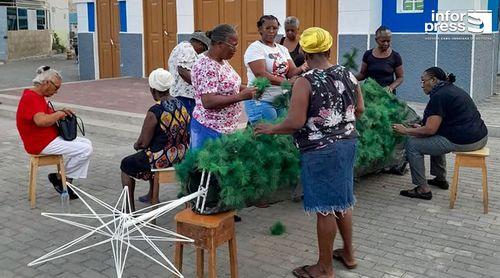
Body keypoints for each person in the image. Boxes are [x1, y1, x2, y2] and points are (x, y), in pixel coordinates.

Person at [255, 27, 364, 278]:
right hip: (347, 144)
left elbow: (295, 122)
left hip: (320, 151)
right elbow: (359, 109)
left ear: (304, 51)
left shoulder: (306, 81)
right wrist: (341, 124)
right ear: (328, 49)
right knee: (342, 201)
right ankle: (348, 254)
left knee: (325, 207)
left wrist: (271, 129)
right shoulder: (347, 73)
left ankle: (324, 268)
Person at [393, 67, 488, 200]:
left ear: (433, 80)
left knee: (413, 144)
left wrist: (406, 130)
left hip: (468, 141)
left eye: (423, 81)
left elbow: (430, 129)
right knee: (433, 137)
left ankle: (422, 189)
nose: (422, 85)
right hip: (481, 136)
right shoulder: (450, 89)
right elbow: (434, 125)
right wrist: (421, 127)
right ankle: (440, 178)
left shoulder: (439, 96)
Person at [16, 66, 93, 199]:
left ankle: (65, 181)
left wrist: (60, 112)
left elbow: (43, 115)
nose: (56, 91)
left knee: (87, 143)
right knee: (85, 149)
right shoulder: (31, 97)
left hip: (47, 139)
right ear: (46, 83)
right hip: (40, 143)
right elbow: (41, 121)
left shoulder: (36, 96)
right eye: (56, 87)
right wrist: (59, 114)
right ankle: (62, 179)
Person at [120, 68, 190, 211]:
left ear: (153, 90)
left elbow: (143, 143)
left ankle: (128, 210)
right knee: (147, 155)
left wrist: (136, 144)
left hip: (161, 159)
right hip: (181, 155)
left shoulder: (155, 111)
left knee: (126, 164)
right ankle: (152, 194)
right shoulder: (181, 105)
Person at [190, 24, 257, 150]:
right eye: (233, 45)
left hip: (226, 129)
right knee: (207, 168)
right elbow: (208, 101)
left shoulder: (222, 61)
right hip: (209, 129)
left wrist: (250, 90)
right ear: (219, 44)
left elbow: (231, 86)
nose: (235, 49)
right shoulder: (206, 65)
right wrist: (241, 96)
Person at [244, 15, 308, 125]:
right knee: (267, 138)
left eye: (274, 28)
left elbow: (291, 72)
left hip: (280, 100)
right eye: (267, 28)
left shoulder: (282, 49)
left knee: (281, 135)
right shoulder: (255, 48)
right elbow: (261, 74)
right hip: (261, 99)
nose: (271, 31)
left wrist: (303, 67)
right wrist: (286, 83)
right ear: (260, 29)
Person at [168, 31, 211, 115]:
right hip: (183, 96)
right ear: (199, 43)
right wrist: (202, 86)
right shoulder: (188, 49)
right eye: (204, 48)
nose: (202, 52)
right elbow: (182, 71)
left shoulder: (182, 47)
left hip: (179, 94)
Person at [356, 26, 404, 94]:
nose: (386, 44)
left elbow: (400, 77)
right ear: (376, 40)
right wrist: (351, 78)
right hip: (370, 94)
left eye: (388, 41)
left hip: (386, 96)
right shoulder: (368, 54)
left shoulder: (395, 56)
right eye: (383, 41)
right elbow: (362, 74)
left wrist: (391, 87)